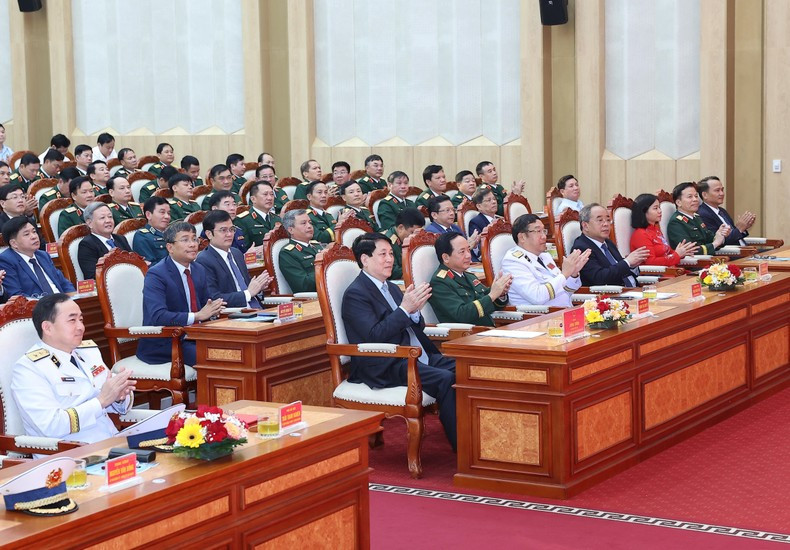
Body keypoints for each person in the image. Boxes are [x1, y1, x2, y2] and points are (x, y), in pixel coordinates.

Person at [342, 232, 457, 450]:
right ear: (365, 259)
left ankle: (479, 434)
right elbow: (374, 336)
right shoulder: (356, 294)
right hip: (386, 363)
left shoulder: (392, 287)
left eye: (391, 254)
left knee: (469, 369)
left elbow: (415, 326)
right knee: (445, 379)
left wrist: (413, 312)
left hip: (417, 354)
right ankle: (462, 445)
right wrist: (405, 309)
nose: (389, 259)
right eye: (382, 254)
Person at [11, 294, 135, 443]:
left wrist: (118, 397)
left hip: (111, 441)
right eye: (72, 320)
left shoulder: (89, 353)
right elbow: (51, 426)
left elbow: (112, 404)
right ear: (47, 328)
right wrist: (101, 400)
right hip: (72, 452)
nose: (81, 327)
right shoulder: (29, 368)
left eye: (81, 319)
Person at [136, 222, 225, 367]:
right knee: (217, 357)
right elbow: (158, 316)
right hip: (167, 342)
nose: (192, 244)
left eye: (194, 239)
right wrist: (197, 316)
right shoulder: (156, 274)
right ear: (170, 247)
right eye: (185, 240)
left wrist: (215, 308)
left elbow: (206, 305)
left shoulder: (199, 269)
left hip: (195, 336)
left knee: (237, 347)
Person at [502, 214, 589, 307]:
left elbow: (567, 290)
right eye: (538, 231)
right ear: (522, 237)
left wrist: (573, 274)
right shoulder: (513, 262)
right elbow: (537, 297)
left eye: (544, 231)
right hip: (541, 314)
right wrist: (564, 274)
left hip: (563, 310)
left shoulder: (544, 256)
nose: (544, 236)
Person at [428, 232, 511, 326]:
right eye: (462, 252)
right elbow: (461, 314)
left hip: (487, 329)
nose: (468, 255)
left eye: (468, 250)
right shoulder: (440, 283)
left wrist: (500, 293)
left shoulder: (469, 276)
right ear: (446, 257)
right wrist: (492, 295)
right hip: (468, 333)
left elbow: (489, 304)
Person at [196, 210, 271, 308]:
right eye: (223, 230)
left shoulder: (237, 253)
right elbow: (213, 298)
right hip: (234, 313)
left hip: (257, 308)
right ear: (209, 234)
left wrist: (259, 287)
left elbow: (247, 287)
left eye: (231, 229)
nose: (229, 234)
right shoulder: (204, 260)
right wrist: (248, 293)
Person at [572, 204, 648, 287]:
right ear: (585, 226)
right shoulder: (581, 248)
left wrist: (632, 265)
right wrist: (627, 262)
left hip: (634, 289)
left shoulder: (608, 243)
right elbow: (599, 278)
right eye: (600, 220)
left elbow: (618, 267)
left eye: (608, 220)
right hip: (612, 293)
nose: (606, 224)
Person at [0, 216, 76, 296]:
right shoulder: (6, 261)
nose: (34, 236)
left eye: (34, 231)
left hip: (62, 300)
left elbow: (64, 283)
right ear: (14, 243)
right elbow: (16, 295)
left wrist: (74, 297)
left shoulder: (43, 255)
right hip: (38, 303)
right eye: (26, 234)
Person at [630, 193, 698, 266]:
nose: (660, 211)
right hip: (657, 272)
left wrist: (683, 251)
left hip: (670, 269)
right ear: (643, 211)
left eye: (659, 207)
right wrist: (677, 255)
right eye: (655, 208)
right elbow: (651, 262)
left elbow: (668, 252)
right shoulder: (640, 235)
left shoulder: (655, 229)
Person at [667, 182, 731, 254]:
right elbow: (690, 250)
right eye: (690, 197)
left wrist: (719, 234)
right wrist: (715, 244)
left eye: (696, 196)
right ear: (679, 203)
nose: (695, 199)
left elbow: (709, 239)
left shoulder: (696, 217)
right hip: (695, 260)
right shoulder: (676, 222)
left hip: (708, 257)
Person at [77, 202, 132, 280]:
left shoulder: (121, 239)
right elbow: (92, 276)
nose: (108, 220)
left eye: (110, 217)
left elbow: (133, 262)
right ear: (89, 223)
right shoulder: (86, 245)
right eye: (102, 218)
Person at [697, 176, 755, 247]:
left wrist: (743, 228)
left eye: (722, 190)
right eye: (717, 190)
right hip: (731, 252)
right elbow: (718, 242)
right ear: (705, 195)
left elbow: (733, 235)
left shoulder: (722, 211)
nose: (722, 193)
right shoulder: (702, 214)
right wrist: (739, 229)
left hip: (744, 249)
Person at [279, 209, 320, 293]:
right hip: (314, 296)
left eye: (310, 222)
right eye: (303, 223)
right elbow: (304, 285)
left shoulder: (316, 245)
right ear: (291, 230)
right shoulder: (287, 253)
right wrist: (325, 269)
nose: (309, 226)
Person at [235, 181, 281, 247]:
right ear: (253, 199)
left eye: (271, 194)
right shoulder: (242, 221)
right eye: (265, 194)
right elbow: (243, 248)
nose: (270, 198)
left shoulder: (278, 219)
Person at [383, 207, 425, 280]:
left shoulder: (408, 238)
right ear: (401, 228)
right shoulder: (388, 242)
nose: (415, 236)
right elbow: (393, 271)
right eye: (412, 232)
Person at [133, 196, 171, 265]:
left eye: (168, 213)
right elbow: (150, 266)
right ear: (148, 215)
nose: (167, 216)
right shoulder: (142, 237)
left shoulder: (173, 233)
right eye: (162, 212)